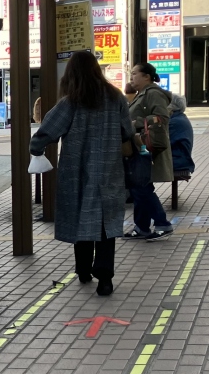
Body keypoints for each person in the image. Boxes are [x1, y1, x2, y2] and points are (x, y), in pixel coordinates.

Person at [30, 50, 135, 296]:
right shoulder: (116, 97)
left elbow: (47, 130)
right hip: (109, 169)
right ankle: (105, 278)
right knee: (106, 223)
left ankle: (84, 269)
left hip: (77, 171)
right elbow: (127, 132)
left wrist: (36, 150)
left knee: (81, 217)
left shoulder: (71, 102)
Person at [126, 62, 174, 240]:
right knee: (139, 185)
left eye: (134, 73)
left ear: (146, 76)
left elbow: (162, 118)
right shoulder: (142, 94)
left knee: (140, 186)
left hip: (146, 146)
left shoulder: (153, 93)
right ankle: (142, 227)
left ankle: (162, 223)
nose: (131, 77)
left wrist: (136, 123)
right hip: (139, 146)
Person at [169, 93, 195, 176]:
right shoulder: (179, 117)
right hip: (181, 159)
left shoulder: (174, 122)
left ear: (171, 107)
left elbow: (162, 141)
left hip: (178, 162)